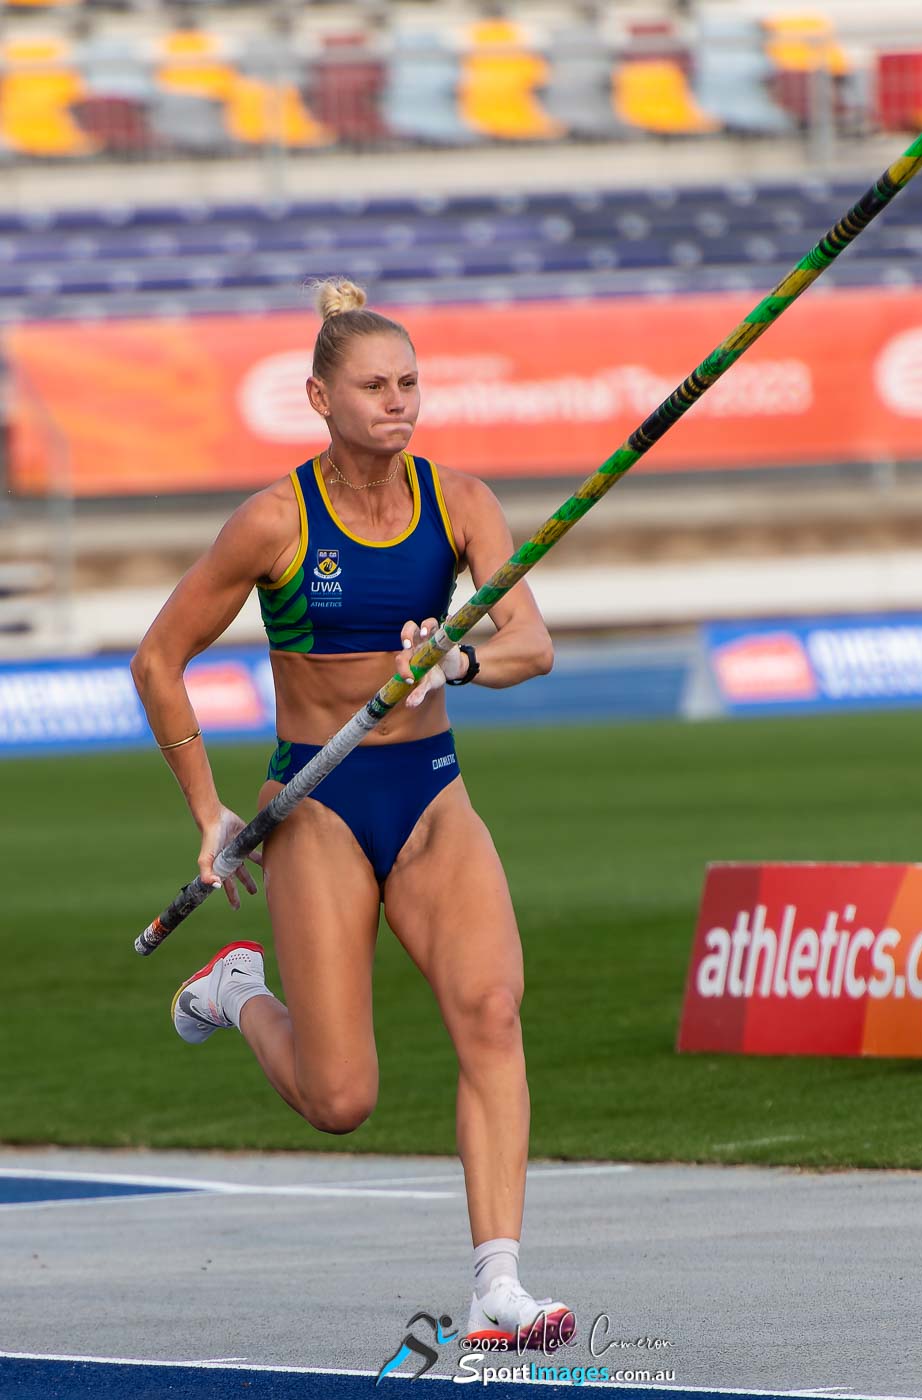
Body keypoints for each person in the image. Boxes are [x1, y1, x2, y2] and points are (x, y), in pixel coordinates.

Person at [131, 279, 574, 1351]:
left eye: (410, 382)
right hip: (318, 808)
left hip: (430, 792)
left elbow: (531, 642)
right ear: (320, 396)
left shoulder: (458, 501)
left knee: (492, 1008)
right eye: (374, 385)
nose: (399, 402)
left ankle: (498, 1285)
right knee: (341, 1099)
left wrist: (457, 658)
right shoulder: (276, 520)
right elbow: (159, 659)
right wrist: (208, 808)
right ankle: (237, 989)